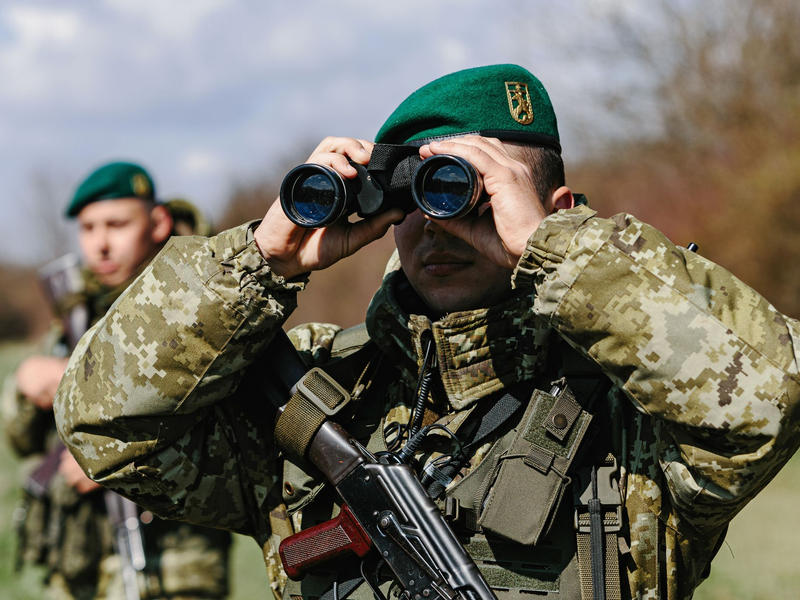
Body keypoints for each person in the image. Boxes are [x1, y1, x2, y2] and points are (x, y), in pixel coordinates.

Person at [54, 65, 800, 600]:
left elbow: (767, 400)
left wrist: (561, 250)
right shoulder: (315, 391)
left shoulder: (635, 407)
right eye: (415, 193)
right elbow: (103, 423)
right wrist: (256, 261)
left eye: (468, 191)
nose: (437, 224)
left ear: (558, 209)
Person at [4, 161, 231, 600]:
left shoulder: (200, 300)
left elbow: (229, 431)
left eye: (116, 224)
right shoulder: (76, 311)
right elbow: (22, 442)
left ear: (158, 221)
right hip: (77, 558)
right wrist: (26, 389)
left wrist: (112, 461)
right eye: (88, 228)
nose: (101, 244)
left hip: (173, 562)